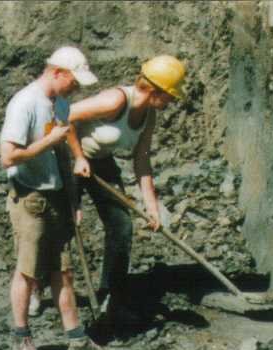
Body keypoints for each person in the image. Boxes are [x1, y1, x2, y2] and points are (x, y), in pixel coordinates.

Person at [0, 46, 117, 350]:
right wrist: (48, 144)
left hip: (57, 197)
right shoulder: (25, 104)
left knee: (63, 272)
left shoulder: (60, 103)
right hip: (30, 198)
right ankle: (21, 338)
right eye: (74, 81)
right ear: (57, 73)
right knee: (27, 271)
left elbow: (66, 141)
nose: (77, 88)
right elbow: (8, 157)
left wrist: (75, 182)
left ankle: (77, 342)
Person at [68, 55, 187, 323]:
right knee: (63, 226)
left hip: (101, 162)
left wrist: (152, 207)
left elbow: (142, 160)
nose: (172, 102)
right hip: (66, 157)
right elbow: (64, 117)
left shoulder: (149, 115)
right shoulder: (116, 101)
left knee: (121, 225)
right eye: (170, 96)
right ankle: (39, 287)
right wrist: (77, 156)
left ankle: (112, 297)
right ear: (156, 90)